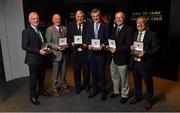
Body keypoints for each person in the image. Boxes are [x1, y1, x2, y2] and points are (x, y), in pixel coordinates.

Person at [129, 16, 159, 110]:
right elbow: (133, 46)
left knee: (148, 82)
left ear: (145, 24)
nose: (140, 24)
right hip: (135, 62)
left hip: (146, 63)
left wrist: (145, 53)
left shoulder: (152, 34)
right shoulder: (135, 34)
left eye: (142, 23)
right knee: (136, 80)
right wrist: (131, 47)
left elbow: (156, 49)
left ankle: (149, 100)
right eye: (138, 23)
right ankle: (138, 96)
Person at [22, 12, 50, 105]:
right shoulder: (26, 31)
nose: (36, 20)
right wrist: (38, 51)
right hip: (33, 59)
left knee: (42, 77)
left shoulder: (41, 30)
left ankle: (41, 90)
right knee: (33, 79)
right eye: (33, 19)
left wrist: (46, 47)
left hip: (42, 58)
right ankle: (33, 96)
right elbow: (24, 46)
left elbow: (43, 42)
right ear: (29, 20)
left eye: (37, 18)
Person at [107, 11, 134, 104]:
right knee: (114, 76)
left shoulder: (129, 29)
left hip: (122, 58)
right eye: (117, 18)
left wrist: (116, 50)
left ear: (124, 18)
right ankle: (116, 91)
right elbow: (110, 40)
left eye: (120, 17)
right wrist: (108, 46)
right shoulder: (114, 29)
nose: (118, 19)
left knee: (124, 78)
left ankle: (125, 95)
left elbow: (128, 44)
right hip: (113, 57)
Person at [46, 14, 71, 96]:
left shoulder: (64, 28)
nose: (58, 20)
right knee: (55, 73)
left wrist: (66, 45)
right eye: (56, 19)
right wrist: (57, 47)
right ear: (53, 20)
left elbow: (67, 39)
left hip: (64, 54)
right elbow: (48, 43)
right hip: (56, 54)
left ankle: (63, 85)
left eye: (59, 19)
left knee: (63, 72)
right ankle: (54, 88)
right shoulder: (49, 29)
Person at [86, 8, 109, 100]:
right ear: (91, 17)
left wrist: (103, 45)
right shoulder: (89, 26)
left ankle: (104, 91)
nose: (96, 18)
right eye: (93, 16)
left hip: (101, 54)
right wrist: (88, 44)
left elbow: (108, 38)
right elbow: (87, 38)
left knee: (101, 73)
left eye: (97, 16)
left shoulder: (106, 26)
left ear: (100, 16)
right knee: (94, 73)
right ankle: (95, 90)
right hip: (91, 54)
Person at [67, 10, 90, 94]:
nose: (79, 18)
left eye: (81, 16)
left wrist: (87, 44)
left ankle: (86, 86)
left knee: (86, 71)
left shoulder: (88, 25)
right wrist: (71, 43)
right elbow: (68, 37)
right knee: (76, 71)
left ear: (83, 17)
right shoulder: (70, 25)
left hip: (85, 52)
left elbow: (90, 37)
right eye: (78, 16)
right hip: (75, 52)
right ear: (75, 17)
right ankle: (77, 87)